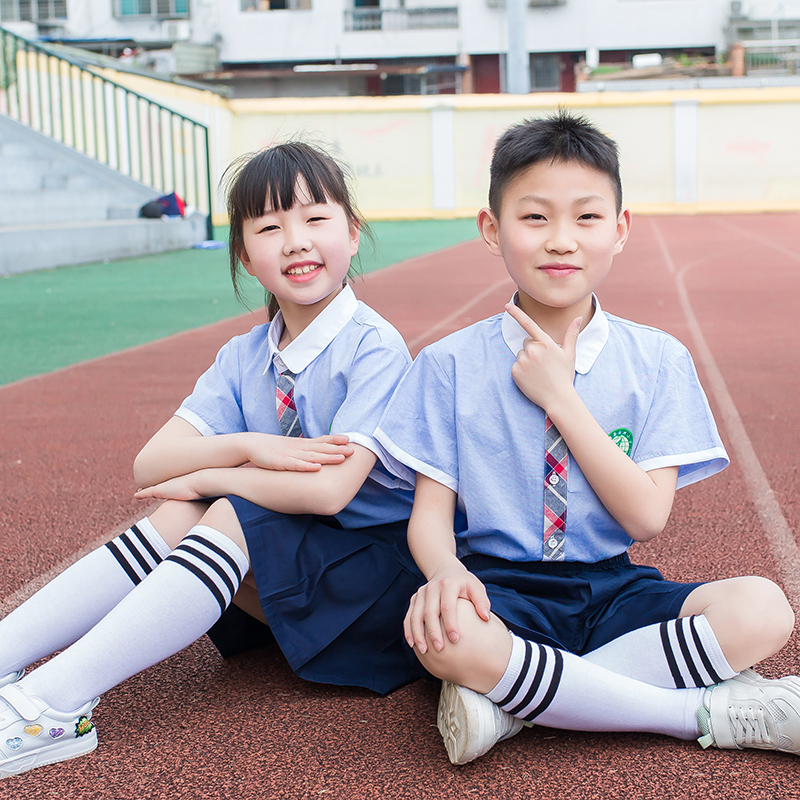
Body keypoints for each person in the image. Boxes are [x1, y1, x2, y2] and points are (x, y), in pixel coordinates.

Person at [374, 110, 800, 765]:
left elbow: (646, 516)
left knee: (765, 610)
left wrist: (562, 398)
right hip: (498, 593)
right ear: (492, 229)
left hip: (613, 591)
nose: (561, 240)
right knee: (444, 634)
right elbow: (429, 518)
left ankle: (520, 703)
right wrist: (446, 573)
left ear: (621, 229)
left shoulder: (657, 359)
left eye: (587, 218)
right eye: (535, 217)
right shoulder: (448, 365)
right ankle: (699, 712)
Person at [0, 141, 424, 778]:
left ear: (352, 232)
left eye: (315, 219)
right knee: (187, 509)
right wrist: (249, 447)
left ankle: (51, 704)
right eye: (269, 227)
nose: (295, 241)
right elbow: (151, 464)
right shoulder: (245, 355)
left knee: (219, 505)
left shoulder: (375, 348)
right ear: (246, 256)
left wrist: (211, 475)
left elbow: (332, 493)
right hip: (292, 575)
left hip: (375, 588)